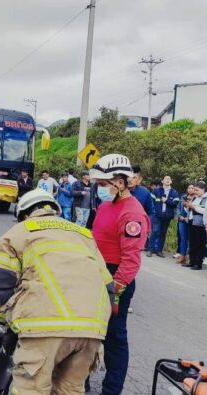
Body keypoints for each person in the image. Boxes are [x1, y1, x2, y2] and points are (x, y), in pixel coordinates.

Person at [0, 188, 113, 394]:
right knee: (71, 389)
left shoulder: (17, 233)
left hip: (43, 329)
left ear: (24, 214)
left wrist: (7, 325)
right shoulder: (84, 235)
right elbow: (109, 288)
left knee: (31, 389)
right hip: (91, 330)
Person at [89, 154, 150, 395]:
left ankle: (111, 390)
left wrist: (116, 287)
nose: (100, 188)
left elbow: (131, 258)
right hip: (96, 272)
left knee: (114, 337)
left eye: (104, 184)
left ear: (121, 182)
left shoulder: (132, 213)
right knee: (90, 332)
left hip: (115, 278)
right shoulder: (106, 205)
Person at [148, 176, 179, 258]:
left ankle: (159, 250)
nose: (168, 180)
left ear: (171, 181)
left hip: (167, 216)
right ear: (162, 181)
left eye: (169, 179)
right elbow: (151, 202)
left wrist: (166, 201)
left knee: (163, 233)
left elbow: (175, 203)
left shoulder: (174, 192)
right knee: (155, 231)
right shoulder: (156, 190)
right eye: (166, 179)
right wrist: (154, 212)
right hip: (157, 215)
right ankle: (150, 250)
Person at [183, 182, 207, 270]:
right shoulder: (195, 197)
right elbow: (189, 209)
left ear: (203, 189)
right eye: (194, 190)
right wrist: (187, 206)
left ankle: (198, 263)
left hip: (200, 223)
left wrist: (194, 207)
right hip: (191, 221)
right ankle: (192, 261)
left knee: (199, 243)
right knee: (192, 243)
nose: (195, 192)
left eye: (197, 190)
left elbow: (206, 211)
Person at [175, 184, 195, 264]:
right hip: (182, 220)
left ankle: (189, 256)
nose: (190, 189)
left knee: (191, 239)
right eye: (189, 188)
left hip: (191, 221)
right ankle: (182, 256)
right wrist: (179, 216)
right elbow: (178, 208)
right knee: (183, 239)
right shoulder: (183, 197)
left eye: (193, 188)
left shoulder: (196, 198)